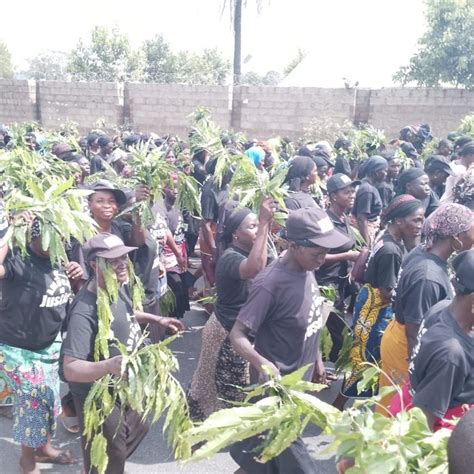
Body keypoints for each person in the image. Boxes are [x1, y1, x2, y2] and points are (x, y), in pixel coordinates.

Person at [229, 207, 351, 473]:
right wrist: (260, 362)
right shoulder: (269, 284)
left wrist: (317, 359)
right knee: (294, 465)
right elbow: (237, 335)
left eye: (325, 251)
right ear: (294, 246)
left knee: (263, 461)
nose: (323, 257)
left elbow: (311, 315)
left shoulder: (307, 266)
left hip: (299, 386)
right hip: (276, 392)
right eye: (316, 251)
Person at [61, 233, 184, 474]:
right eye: (113, 260)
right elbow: (70, 368)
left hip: (125, 386)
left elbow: (128, 313)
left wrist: (157, 318)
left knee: (139, 426)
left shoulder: (116, 285)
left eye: (124, 258)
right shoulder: (84, 310)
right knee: (110, 455)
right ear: (95, 265)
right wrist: (109, 366)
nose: (121, 264)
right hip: (100, 396)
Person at [0, 217, 83, 473]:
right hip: (19, 350)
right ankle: (28, 462)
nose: (51, 243)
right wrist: (12, 229)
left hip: (49, 345)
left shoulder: (60, 259)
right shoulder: (17, 258)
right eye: (44, 238)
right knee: (33, 406)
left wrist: (76, 277)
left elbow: (69, 294)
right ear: (32, 237)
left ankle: (44, 448)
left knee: (48, 400)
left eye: (57, 238)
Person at [378, 203, 474, 410]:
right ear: (456, 238)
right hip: (405, 344)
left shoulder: (426, 251)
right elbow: (414, 331)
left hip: (403, 333)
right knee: (400, 411)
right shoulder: (428, 277)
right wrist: (417, 375)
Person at [333, 195, 424, 410]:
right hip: (377, 310)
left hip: (368, 303)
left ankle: (343, 406)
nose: (421, 225)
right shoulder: (392, 251)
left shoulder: (388, 237)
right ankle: (338, 407)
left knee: (362, 358)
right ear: (399, 221)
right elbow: (386, 293)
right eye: (416, 220)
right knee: (366, 361)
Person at [187, 198, 274, 421]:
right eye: (251, 226)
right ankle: (197, 435)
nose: (256, 229)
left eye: (257, 225)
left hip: (242, 332)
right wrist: (264, 224)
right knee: (216, 387)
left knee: (235, 387)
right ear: (235, 234)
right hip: (225, 333)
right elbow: (254, 269)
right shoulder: (230, 258)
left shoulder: (257, 252)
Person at [315, 173, 360, 362]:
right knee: (335, 329)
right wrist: (347, 256)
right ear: (333, 196)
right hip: (326, 284)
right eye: (346, 192)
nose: (352, 195)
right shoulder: (326, 221)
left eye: (352, 191)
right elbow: (316, 257)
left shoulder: (344, 218)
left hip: (340, 283)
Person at [352, 155, 387, 246]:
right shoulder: (367, 190)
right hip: (365, 231)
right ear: (376, 173)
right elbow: (361, 218)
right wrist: (366, 244)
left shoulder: (366, 185)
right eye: (385, 171)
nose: (386, 174)